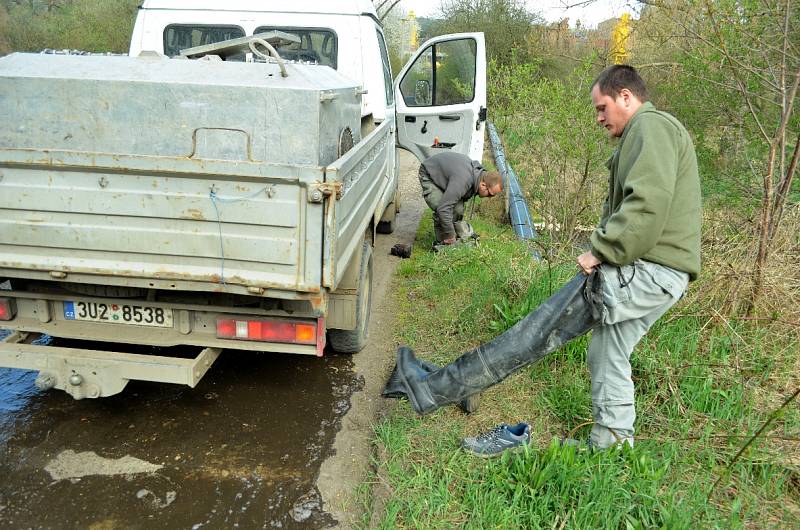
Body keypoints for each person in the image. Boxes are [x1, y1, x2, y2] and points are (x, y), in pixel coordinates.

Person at [387, 65, 701, 454]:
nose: (599, 118)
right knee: (608, 353)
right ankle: (612, 448)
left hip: (645, 271)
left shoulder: (651, 128)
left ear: (626, 97)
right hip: (665, 275)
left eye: (602, 107)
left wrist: (603, 249)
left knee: (534, 333)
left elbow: (646, 204)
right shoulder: (652, 133)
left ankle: (431, 391)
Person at [418, 152, 503, 246]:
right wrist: (449, 234)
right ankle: (443, 242)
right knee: (440, 206)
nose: (490, 198)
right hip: (429, 174)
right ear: (483, 185)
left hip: (447, 177)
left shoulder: (478, 176)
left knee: (458, 209)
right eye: (490, 194)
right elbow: (444, 208)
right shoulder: (464, 181)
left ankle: (451, 236)